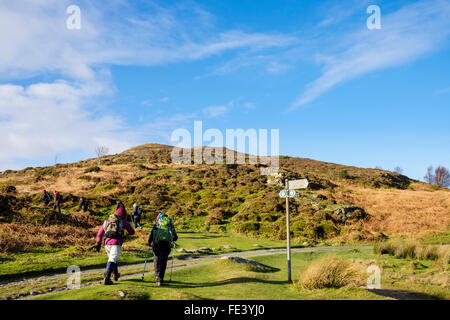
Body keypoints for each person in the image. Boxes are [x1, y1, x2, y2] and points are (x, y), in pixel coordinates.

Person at [95, 200, 135, 285]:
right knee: (112, 259)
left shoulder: (107, 221)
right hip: (116, 242)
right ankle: (107, 278)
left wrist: (98, 243)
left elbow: (99, 233)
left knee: (112, 259)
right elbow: (132, 232)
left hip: (106, 243)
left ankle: (115, 275)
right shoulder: (123, 221)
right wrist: (125, 233)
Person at [147, 212, 178, 286]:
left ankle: (156, 277)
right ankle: (160, 279)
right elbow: (175, 237)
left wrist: (149, 242)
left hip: (156, 244)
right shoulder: (170, 225)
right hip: (166, 245)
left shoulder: (157, 224)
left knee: (156, 260)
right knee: (163, 261)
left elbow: (151, 235)